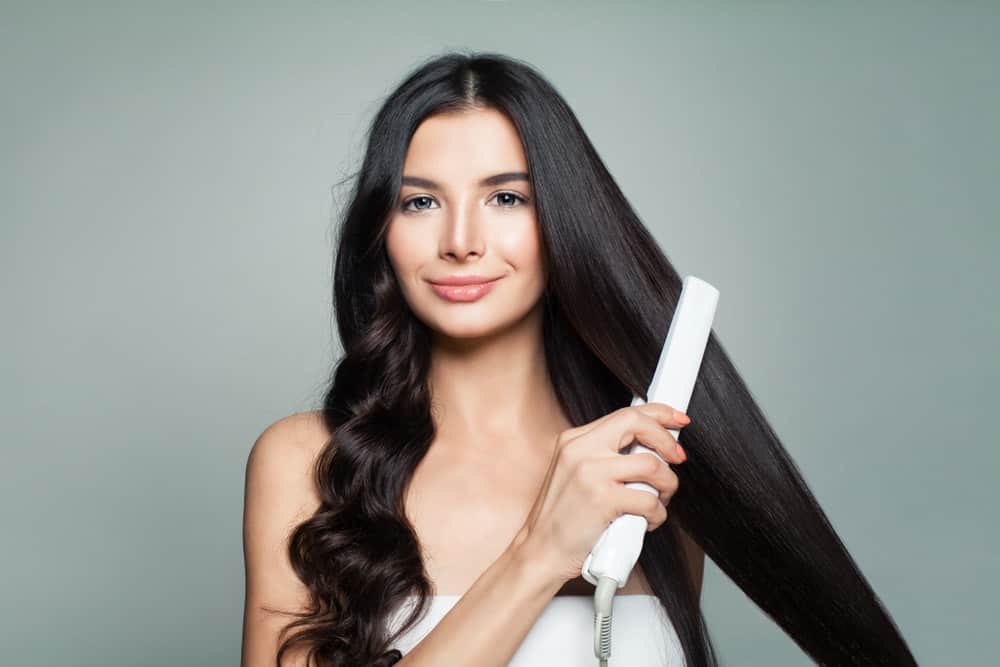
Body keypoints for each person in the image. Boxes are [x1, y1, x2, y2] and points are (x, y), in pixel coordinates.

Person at [241, 51, 917, 666]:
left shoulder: (646, 468)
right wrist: (539, 551)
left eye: (506, 197)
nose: (461, 240)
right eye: (420, 201)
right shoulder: (305, 463)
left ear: (563, 219)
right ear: (381, 229)